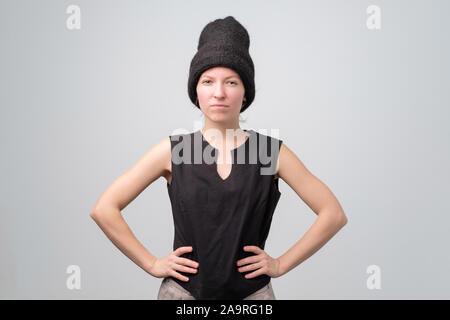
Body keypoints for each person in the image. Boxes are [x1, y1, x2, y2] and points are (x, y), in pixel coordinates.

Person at [89, 16, 348, 300]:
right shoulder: (175, 150)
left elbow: (333, 214)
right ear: (195, 91)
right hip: (183, 295)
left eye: (231, 82)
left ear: (245, 91)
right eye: (208, 81)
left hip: (252, 297)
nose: (219, 93)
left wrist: (280, 264)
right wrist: (152, 263)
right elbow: (104, 208)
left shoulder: (269, 152)